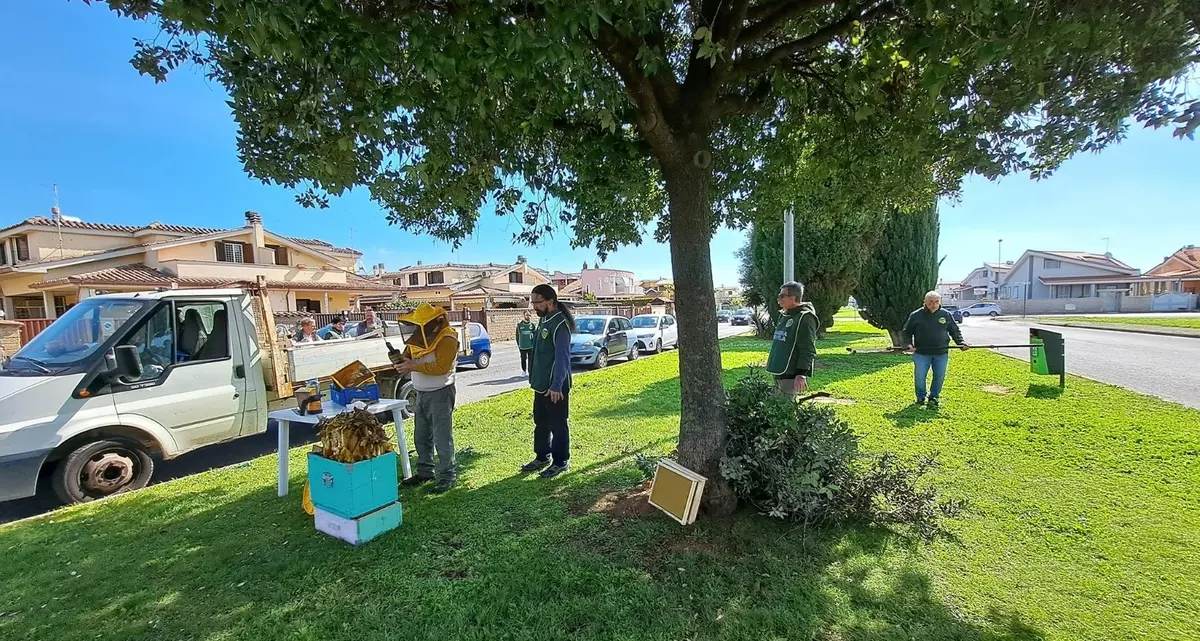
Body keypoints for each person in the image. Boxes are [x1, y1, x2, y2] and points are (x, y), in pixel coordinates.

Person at [392, 303, 460, 493]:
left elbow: (442, 367)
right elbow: (408, 355)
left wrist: (412, 366)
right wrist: (402, 361)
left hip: (441, 392)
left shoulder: (447, 338)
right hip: (420, 392)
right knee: (421, 435)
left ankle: (447, 476)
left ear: (435, 322)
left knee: (442, 437)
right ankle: (425, 472)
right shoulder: (417, 336)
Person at [521, 284, 575, 479]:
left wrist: (556, 385)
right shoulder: (544, 320)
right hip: (541, 385)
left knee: (558, 424)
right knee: (541, 422)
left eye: (537, 302)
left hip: (555, 387)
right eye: (532, 302)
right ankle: (542, 456)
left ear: (550, 302)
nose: (534, 306)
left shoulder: (560, 324)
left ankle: (560, 462)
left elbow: (562, 358)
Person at [902, 291, 968, 408]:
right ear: (925, 302)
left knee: (939, 376)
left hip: (941, 353)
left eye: (936, 301)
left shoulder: (945, 314)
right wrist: (908, 344)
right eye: (931, 302)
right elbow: (906, 332)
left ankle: (934, 397)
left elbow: (954, 330)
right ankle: (921, 397)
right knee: (920, 377)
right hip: (921, 353)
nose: (934, 304)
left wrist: (961, 342)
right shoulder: (916, 315)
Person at [765, 281, 819, 399]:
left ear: (793, 298)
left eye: (782, 296)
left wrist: (801, 374)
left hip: (791, 374)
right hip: (779, 371)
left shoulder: (805, 318)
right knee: (776, 408)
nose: (778, 299)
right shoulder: (784, 315)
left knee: (785, 410)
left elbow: (808, 349)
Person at [516, 310, 536, 376]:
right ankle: (523, 371)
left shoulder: (532, 325)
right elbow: (517, 336)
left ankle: (530, 372)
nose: (528, 316)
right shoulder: (519, 325)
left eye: (529, 315)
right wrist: (519, 344)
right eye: (526, 315)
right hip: (522, 346)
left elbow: (535, 335)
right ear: (524, 316)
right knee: (523, 359)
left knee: (531, 360)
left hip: (530, 346)